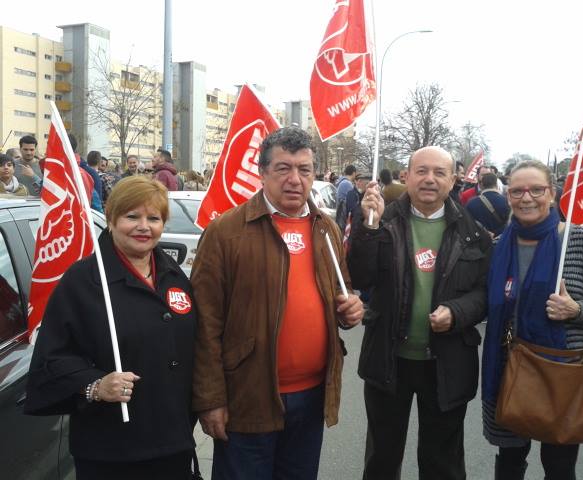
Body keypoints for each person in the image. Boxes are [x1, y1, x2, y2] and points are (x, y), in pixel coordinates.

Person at [191, 127, 364, 480]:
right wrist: (210, 399)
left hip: (312, 396)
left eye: (304, 169)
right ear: (263, 172)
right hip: (248, 397)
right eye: (283, 168)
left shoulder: (325, 229)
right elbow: (204, 323)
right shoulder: (226, 232)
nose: (295, 179)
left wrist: (350, 311)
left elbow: (340, 294)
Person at [24, 176, 198, 480]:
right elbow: (52, 359)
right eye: (132, 216)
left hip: (172, 443)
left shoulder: (174, 276)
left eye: (154, 218)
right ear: (112, 220)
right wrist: (95, 386)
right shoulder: (82, 281)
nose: (144, 226)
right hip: (111, 450)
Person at [348, 146, 492, 480]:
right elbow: (362, 277)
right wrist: (367, 230)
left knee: (442, 461)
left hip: (448, 362)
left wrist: (456, 312)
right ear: (406, 176)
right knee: (382, 457)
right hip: (389, 358)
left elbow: (484, 293)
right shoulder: (381, 220)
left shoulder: (474, 232)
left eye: (439, 173)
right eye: (422, 171)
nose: (429, 179)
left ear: (453, 179)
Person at [481, 160, 583, 480]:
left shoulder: (581, 240)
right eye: (517, 191)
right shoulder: (500, 246)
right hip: (510, 364)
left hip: (564, 365)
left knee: (559, 465)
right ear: (508, 195)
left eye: (536, 190)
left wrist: (578, 310)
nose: (526, 197)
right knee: (510, 461)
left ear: (552, 194)